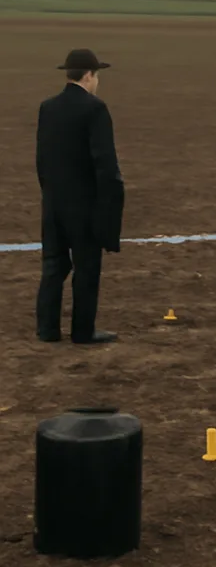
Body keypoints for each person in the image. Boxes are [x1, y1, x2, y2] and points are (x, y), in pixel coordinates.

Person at [35, 49, 124, 345]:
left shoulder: (47, 107)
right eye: (97, 75)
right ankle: (82, 331)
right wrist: (109, 210)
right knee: (86, 269)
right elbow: (106, 166)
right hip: (84, 207)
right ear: (88, 75)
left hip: (53, 203)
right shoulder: (95, 109)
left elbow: (42, 160)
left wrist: (50, 195)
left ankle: (47, 330)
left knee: (53, 266)